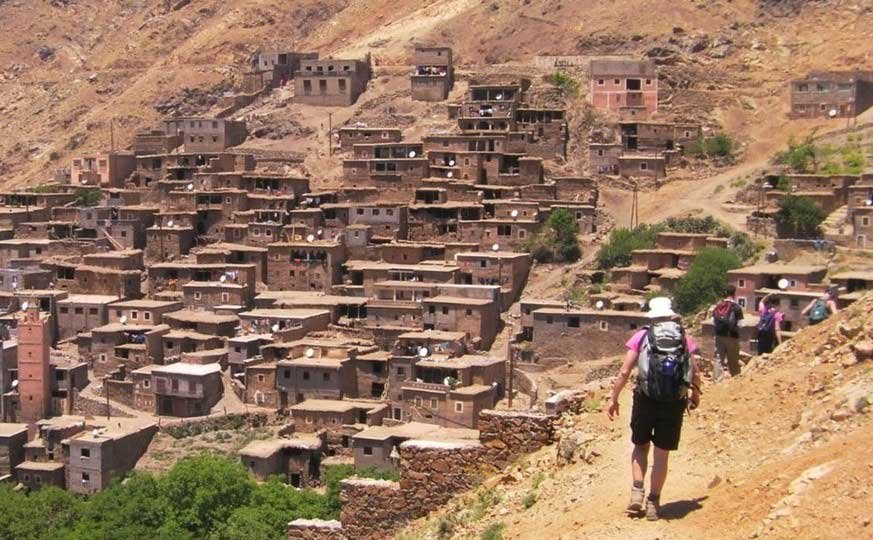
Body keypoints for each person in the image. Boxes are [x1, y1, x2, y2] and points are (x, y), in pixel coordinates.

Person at [607, 297, 702, 521]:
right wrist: (695, 395)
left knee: (640, 447)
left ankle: (637, 493)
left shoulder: (642, 336)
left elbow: (624, 371)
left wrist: (613, 398)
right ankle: (653, 503)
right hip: (673, 402)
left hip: (645, 398)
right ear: (670, 315)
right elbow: (696, 373)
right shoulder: (684, 339)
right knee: (662, 455)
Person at [711, 285, 744, 380]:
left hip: (719, 336)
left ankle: (717, 381)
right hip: (732, 337)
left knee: (718, 359)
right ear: (734, 294)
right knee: (733, 360)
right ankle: (736, 380)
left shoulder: (718, 306)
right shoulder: (736, 307)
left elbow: (713, 322)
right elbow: (741, 324)